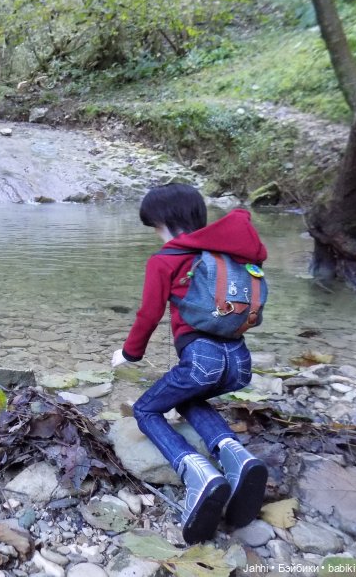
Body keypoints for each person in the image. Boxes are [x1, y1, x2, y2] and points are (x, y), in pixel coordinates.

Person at [111, 183, 269, 544]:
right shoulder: (229, 257)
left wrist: (129, 354)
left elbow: (148, 315)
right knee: (188, 396)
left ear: (162, 221)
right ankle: (235, 455)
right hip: (239, 361)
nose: (155, 232)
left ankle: (195, 471)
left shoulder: (166, 259)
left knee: (147, 410)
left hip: (202, 359)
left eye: (153, 225)